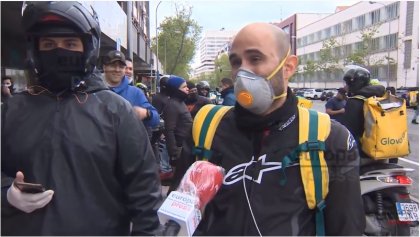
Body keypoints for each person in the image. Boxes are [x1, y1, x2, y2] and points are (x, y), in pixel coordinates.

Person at [1, 2, 162, 235]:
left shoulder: (116, 111)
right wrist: (6, 193)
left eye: (69, 43)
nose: (59, 51)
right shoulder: (11, 110)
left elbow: (146, 198)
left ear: (87, 48)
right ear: (35, 50)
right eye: (48, 44)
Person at [194, 23, 364, 235]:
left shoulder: (330, 137)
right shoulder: (207, 128)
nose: (242, 71)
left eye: (255, 59)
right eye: (236, 62)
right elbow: (179, 212)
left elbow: (346, 227)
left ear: (288, 67)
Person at [103, 50, 159, 129]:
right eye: (113, 65)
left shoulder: (136, 93)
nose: (117, 70)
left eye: (121, 67)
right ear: (104, 67)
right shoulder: (92, 90)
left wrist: (146, 113)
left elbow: (155, 119)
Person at [341, 65, 386, 160]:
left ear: (355, 84)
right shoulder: (381, 98)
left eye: (347, 83)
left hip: (363, 152)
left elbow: (348, 131)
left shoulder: (354, 101)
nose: (345, 86)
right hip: (384, 149)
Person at [161, 76, 193, 193]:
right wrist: (174, 153)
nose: (187, 89)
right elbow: (169, 130)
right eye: (184, 87)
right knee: (178, 181)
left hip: (185, 147)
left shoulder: (180, 103)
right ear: (176, 89)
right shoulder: (172, 105)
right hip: (179, 149)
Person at [151, 76, 173, 181]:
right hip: (160, 128)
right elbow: (157, 114)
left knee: (160, 149)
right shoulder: (160, 98)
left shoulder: (160, 97)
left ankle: (163, 168)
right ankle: (164, 170)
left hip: (162, 128)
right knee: (161, 149)